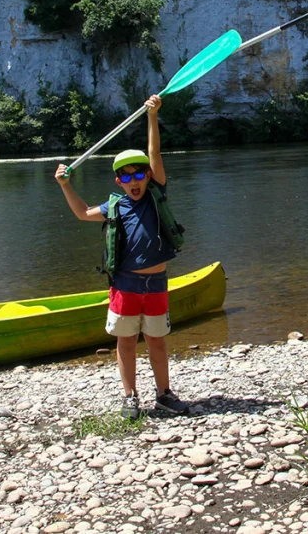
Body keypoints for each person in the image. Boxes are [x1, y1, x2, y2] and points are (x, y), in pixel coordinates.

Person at [54, 95, 189, 420]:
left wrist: (152, 116)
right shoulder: (115, 206)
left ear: (148, 176)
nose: (134, 181)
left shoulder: (156, 192)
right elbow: (84, 213)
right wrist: (64, 185)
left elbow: (154, 153)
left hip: (156, 284)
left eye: (138, 175)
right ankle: (130, 397)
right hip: (125, 285)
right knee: (126, 342)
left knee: (157, 342)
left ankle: (163, 394)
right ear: (119, 182)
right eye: (126, 177)